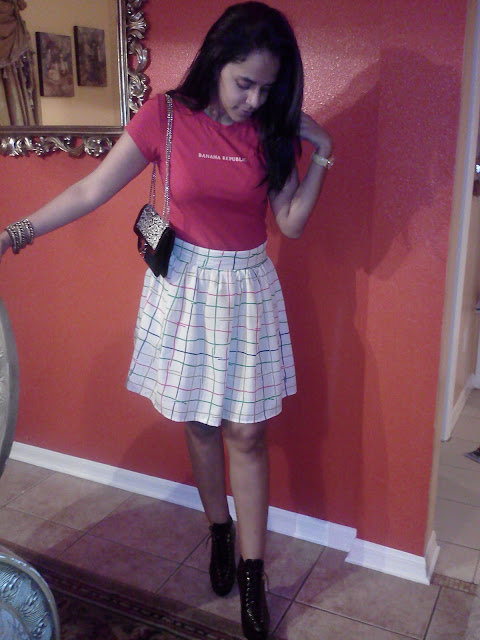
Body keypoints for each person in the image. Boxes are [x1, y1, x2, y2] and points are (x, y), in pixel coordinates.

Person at [0, 3, 333, 638]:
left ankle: (252, 573)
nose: (255, 100)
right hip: (185, 286)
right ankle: (218, 529)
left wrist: (324, 151)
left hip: (246, 289)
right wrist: (15, 233)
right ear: (218, 62)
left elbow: (290, 223)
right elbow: (90, 190)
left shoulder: (272, 130)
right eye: (245, 83)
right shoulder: (166, 117)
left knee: (248, 435)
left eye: (268, 88)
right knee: (201, 425)